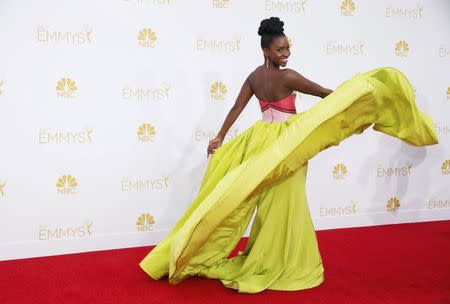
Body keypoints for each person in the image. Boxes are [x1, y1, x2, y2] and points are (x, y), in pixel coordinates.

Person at [139, 17, 438, 293]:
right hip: (288, 143)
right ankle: (283, 262)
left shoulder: (254, 77)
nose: (286, 53)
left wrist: (220, 136)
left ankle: (263, 255)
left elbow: (236, 109)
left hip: (260, 141)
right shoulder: (289, 77)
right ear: (267, 50)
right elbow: (323, 93)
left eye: (288, 48)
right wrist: (354, 97)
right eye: (280, 49)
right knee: (287, 201)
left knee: (268, 201)